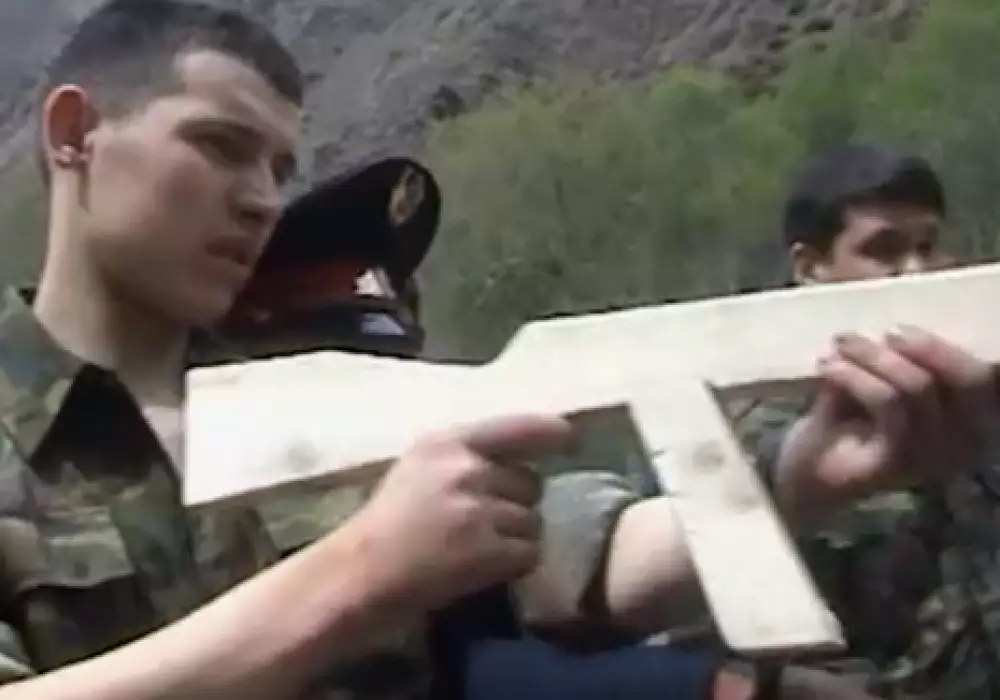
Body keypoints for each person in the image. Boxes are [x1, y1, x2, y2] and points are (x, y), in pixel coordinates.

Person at [0, 0, 993, 696]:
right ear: (74, 131)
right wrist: (361, 574)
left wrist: (801, 479)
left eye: (279, 165)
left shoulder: (325, 405)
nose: (263, 198)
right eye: (219, 145)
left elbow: (584, 560)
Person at [737, 141, 1000, 699]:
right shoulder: (756, 419)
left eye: (927, 246)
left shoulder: (973, 390)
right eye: (884, 250)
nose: (917, 271)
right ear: (810, 268)